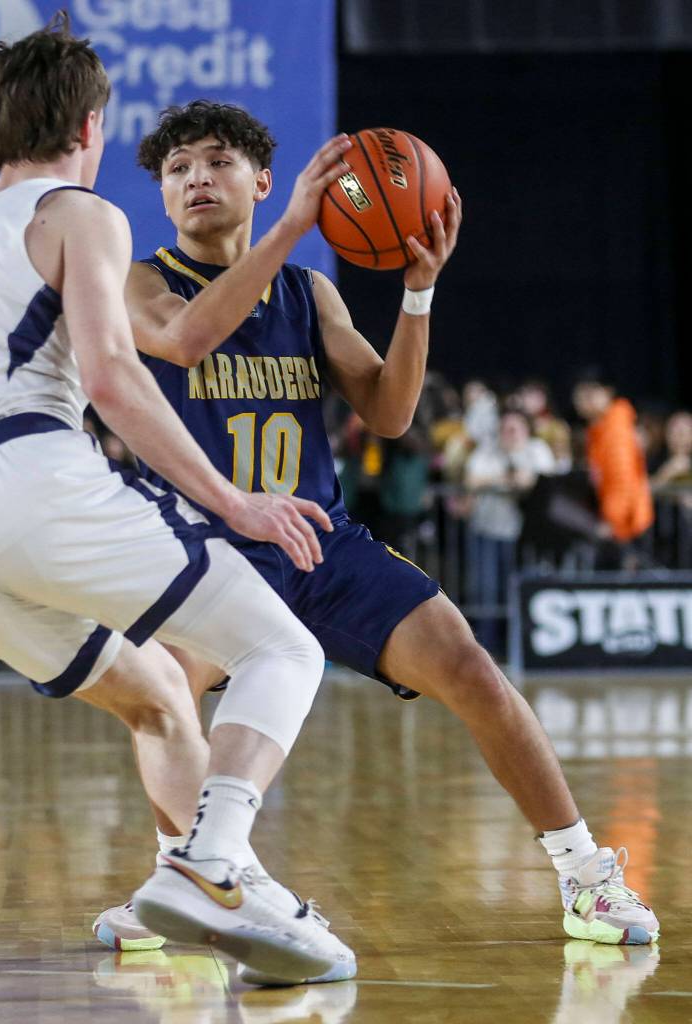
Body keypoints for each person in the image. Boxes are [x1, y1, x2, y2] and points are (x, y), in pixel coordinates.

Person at [94, 100, 659, 954]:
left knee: (472, 666)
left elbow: (390, 412)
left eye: (215, 162)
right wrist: (291, 228)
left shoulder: (308, 292)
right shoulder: (144, 281)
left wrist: (419, 291)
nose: (196, 179)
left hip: (320, 542)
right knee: (169, 692)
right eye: (178, 170)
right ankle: (183, 874)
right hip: (208, 548)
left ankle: (584, 876)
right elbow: (183, 340)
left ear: (262, 180)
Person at [0, 16, 355, 985]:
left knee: (157, 701)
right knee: (281, 646)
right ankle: (210, 857)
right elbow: (111, 374)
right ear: (92, 125)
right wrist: (234, 501)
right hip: (26, 477)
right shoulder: (81, 213)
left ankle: (224, 886)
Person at [464, 408, 556, 651]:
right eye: (505, 429)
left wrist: (521, 480)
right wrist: (506, 480)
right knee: (486, 592)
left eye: (515, 428)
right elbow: (471, 480)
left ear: (526, 430)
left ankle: (522, 647)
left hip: (526, 535)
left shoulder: (537, 449)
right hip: (488, 531)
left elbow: (544, 479)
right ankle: (487, 649)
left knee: (522, 589)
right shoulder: (488, 450)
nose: (510, 434)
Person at [572, 373, 654, 568]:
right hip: (617, 523)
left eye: (591, 393)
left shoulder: (616, 429)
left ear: (608, 393)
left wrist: (613, 524)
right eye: (580, 394)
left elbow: (622, 480)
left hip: (625, 525)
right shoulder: (599, 429)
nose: (583, 400)